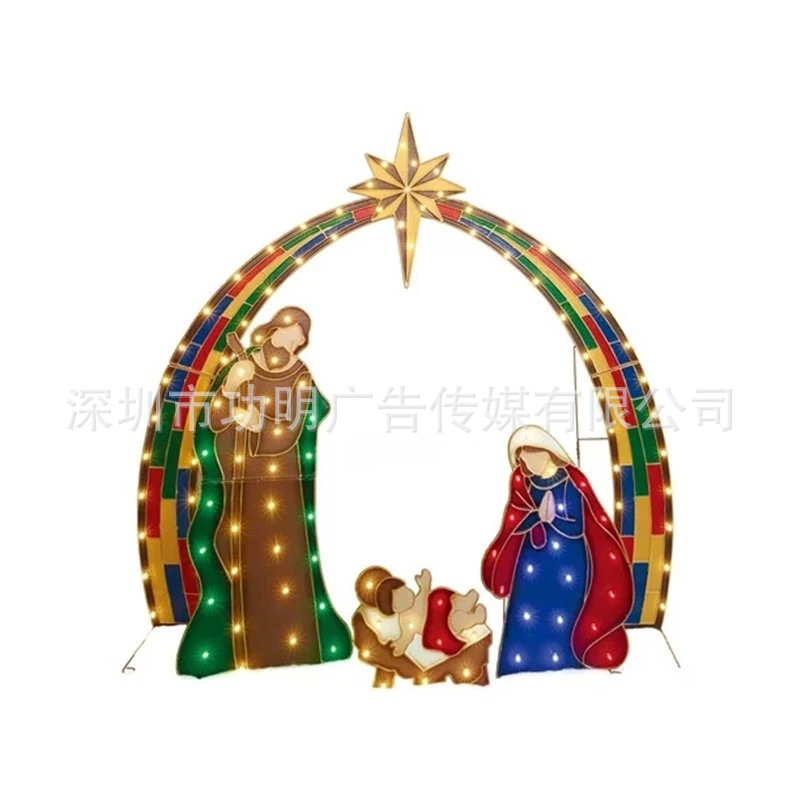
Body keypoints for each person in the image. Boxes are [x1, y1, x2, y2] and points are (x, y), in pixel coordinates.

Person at [178, 306, 351, 675]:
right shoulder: (242, 366)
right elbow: (213, 419)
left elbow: (293, 429)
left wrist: (260, 423)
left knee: (284, 563)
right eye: (297, 332)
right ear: (279, 327)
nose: (299, 341)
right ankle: (241, 645)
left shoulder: (300, 376)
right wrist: (230, 387)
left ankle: (291, 642)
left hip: (283, 484)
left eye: (302, 336)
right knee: (240, 555)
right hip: (240, 482)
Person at [481, 425, 634, 676]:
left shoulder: (570, 483)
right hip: (530, 566)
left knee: (562, 616)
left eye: (531, 457)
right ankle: (520, 666)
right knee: (526, 616)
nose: (527, 464)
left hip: (566, 566)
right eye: (523, 460)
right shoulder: (526, 485)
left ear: (547, 452)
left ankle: (565, 665)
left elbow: (578, 526)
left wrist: (553, 520)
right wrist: (536, 517)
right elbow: (517, 520)